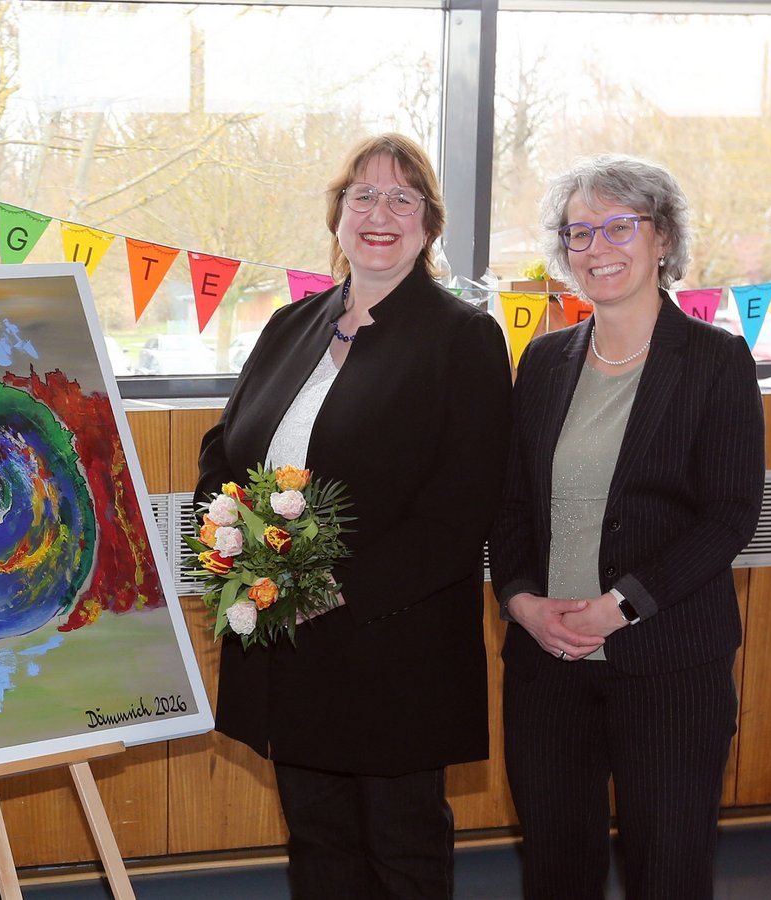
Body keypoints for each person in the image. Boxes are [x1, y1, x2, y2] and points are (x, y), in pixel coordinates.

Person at [196, 133, 512, 899]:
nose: (380, 214)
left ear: (429, 224)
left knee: (401, 851)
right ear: (337, 216)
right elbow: (223, 450)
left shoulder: (463, 337)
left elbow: (462, 507)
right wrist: (236, 550)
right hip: (286, 643)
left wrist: (329, 592)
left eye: (402, 198)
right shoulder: (291, 325)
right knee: (318, 843)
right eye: (362, 196)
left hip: (393, 648)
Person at [490, 155, 764, 900]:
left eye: (619, 227)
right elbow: (510, 507)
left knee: (667, 872)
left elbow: (729, 515)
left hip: (670, 664)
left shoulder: (716, 359)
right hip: (547, 666)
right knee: (557, 873)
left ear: (663, 238)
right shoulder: (543, 361)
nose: (598, 248)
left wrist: (621, 606)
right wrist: (521, 601)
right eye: (579, 233)